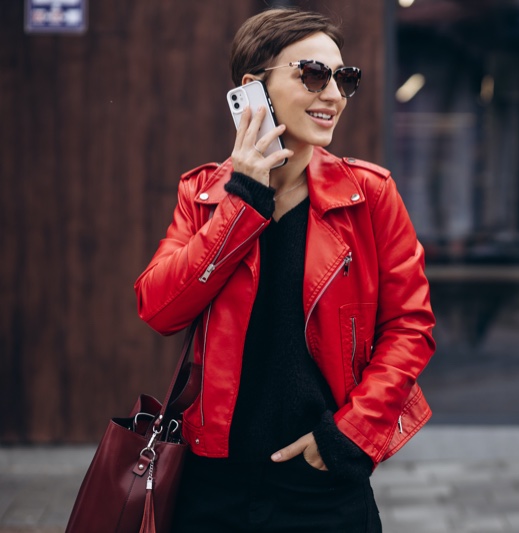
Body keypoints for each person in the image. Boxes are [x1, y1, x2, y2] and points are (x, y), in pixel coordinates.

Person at [134, 7, 435, 532]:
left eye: (344, 79)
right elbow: (159, 309)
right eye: (314, 75)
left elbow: (411, 327)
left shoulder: (370, 195)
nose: (334, 95)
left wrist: (348, 436)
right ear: (253, 89)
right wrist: (243, 200)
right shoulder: (203, 195)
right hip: (212, 486)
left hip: (324, 483)